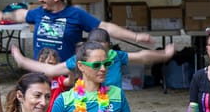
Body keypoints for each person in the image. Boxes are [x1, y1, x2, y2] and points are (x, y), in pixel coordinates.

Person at [0, 0, 154, 61]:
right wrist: (4, 16)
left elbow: (105, 27)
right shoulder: (38, 13)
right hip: (42, 73)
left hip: (67, 75)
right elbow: (21, 14)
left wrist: (135, 36)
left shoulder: (75, 14)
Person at [10, 27, 174, 89]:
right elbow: (53, 70)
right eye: (95, 48)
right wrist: (23, 61)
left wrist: (163, 54)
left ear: (109, 46)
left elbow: (141, 57)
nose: (99, 54)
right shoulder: (81, 58)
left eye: (103, 48)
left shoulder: (115, 56)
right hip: (88, 102)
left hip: (113, 102)